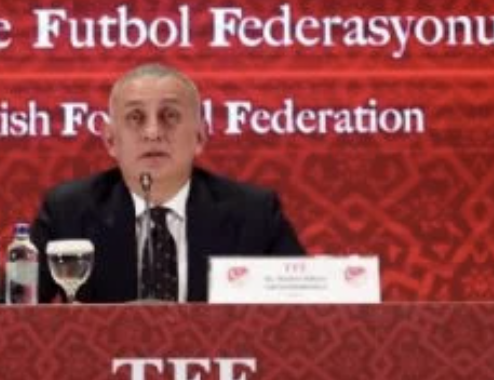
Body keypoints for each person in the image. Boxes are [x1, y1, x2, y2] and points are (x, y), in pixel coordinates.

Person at [31, 63, 304, 303]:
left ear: (199, 137)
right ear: (111, 140)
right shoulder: (68, 211)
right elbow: (15, 312)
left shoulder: (254, 213)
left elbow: (307, 309)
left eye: (170, 116)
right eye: (136, 118)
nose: (153, 133)